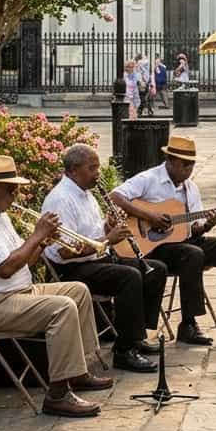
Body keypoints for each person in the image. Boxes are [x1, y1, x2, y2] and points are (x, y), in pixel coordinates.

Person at [0, 155, 112, 417]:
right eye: (10, 188)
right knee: (62, 307)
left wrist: (42, 243)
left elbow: (24, 261)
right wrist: (36, 234)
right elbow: (5, 269)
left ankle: (78, 372)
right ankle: (57, 395)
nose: (15, 194)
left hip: (14, 293)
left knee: (78, 291)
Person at [111, 135, 216, 344]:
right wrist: (149, 216)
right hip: (155, 248)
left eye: (192, 165)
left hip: (185, 243)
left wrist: (208, 225)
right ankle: (188, 324)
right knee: (192, 254)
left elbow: (193, 230)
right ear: (170, 161)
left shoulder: (191, 188)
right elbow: (115, 196)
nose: (188, 170)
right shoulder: (148, 179)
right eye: (184, 165)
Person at [42, 144, 165, 373]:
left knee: (156, 270)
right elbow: (64, 252)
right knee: (128, 277)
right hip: (71, 270)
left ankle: (136, 335)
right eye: (93, 168)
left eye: (98, 167)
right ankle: (123, 351)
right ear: (74, 170)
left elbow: (93, 231)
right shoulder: (61, 199)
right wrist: (109, 239)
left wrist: (108, 226)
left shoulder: (86, 193)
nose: (98, 173)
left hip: (95, 260)